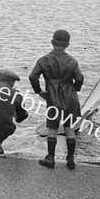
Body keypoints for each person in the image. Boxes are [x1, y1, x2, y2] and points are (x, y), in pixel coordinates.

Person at [29, 30, 84, 170]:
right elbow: (80, 78)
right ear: (67, 44)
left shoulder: (44, 60)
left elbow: (32, 77)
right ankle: (70, 160)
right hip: (70, 97)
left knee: (52, 128)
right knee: (69, 128)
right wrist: (75, 89)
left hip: (52, 97)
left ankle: (51, 158)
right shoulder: (72, 61)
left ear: (52, 42)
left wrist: (39, 91)